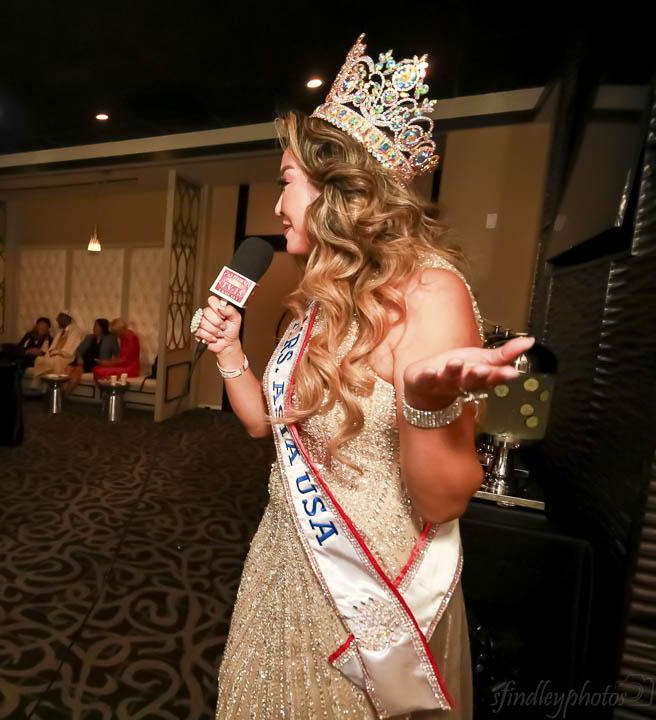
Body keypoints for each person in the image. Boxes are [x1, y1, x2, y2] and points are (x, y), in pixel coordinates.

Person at [204, 35, 534, 720]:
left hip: (370, 598)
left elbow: (443, 501)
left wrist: (424, 407)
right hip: (282, 560)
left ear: (338, 188)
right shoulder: (318, 300)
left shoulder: (430, 293)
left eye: (285, 181)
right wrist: (230, 350)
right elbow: (263, 426)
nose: (277, 206)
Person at [28, 310, 83, 388]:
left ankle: (56, 388)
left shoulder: (75, 332)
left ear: (65, 318)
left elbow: (70, 351)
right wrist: (51, 352)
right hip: (54, 356)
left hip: (66, 358)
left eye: (58, 317)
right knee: (39, 359)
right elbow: (51, 348)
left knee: (55, 360)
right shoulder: (59, 333)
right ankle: (37, 388)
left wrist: (57, 352)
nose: (56, 319)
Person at [64, 318, 119, 394]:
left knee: (76, 372)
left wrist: (109, 363)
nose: (93, 328)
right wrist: (79, 358)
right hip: (82, 360)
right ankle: (60, 393)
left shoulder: (110, 339)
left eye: (96, 326)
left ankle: (64, 394)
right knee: (67, 370)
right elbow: (79, 350)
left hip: (95, 363)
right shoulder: (89, 337)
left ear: (102, 327)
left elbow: (117, 354)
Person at [92, 318, 139, 382]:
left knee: (100, 371)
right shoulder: (124, 337)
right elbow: (121, 357)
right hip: (123, 365)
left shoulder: (132, 339)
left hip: (130, 368)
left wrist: (108, 363)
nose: (116, 336)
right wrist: (107, 363)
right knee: (97, 368)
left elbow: (125, 360)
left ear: (122, 329)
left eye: (117, 333)